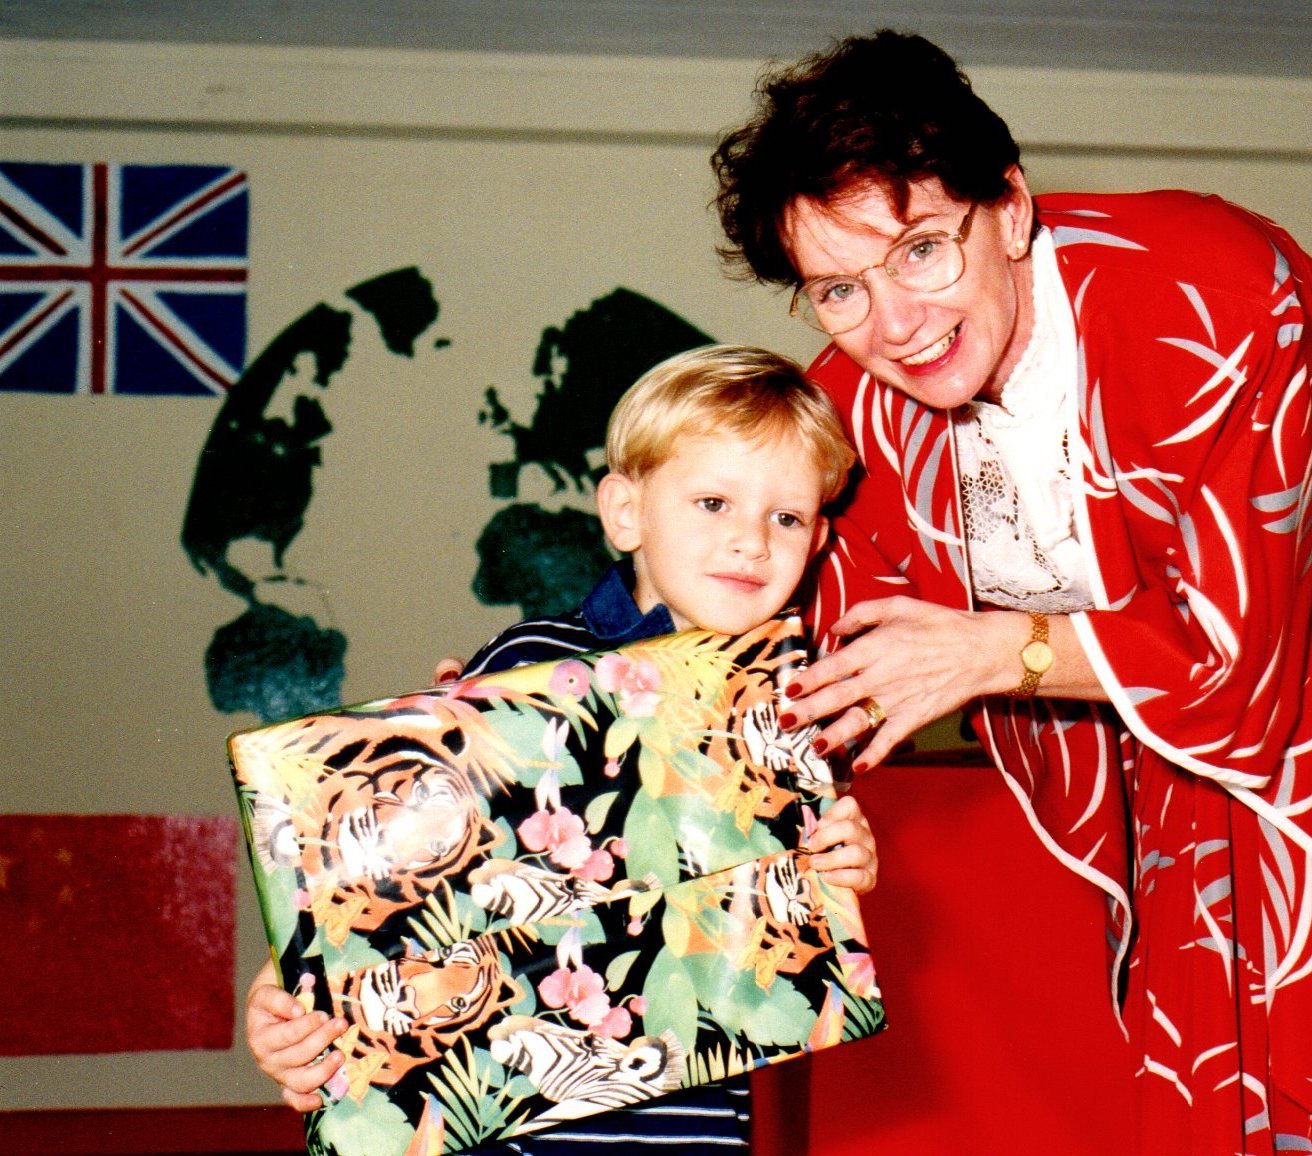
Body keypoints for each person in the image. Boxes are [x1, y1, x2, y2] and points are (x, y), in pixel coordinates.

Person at [710, 30, 1312, 1154]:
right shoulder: (859, 398)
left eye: (920, 251)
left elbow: (1235, 654)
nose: (894, 323)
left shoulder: (1209, 287)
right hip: (1198, 795)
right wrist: (513, 706)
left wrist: (989, 653)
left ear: (1008, 208)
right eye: (838, 289)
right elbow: (772, 639)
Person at [245, 344, 879, 1154]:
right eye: (713, 502)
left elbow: (797, 910)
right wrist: (282, 996)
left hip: (691, 1114)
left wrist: (844, 859)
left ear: (819, 537)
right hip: (509, 1115)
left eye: (784, 517)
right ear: (625, 512)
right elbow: (373, 869)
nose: (751, 541)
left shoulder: (793, 707)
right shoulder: (527, 667)